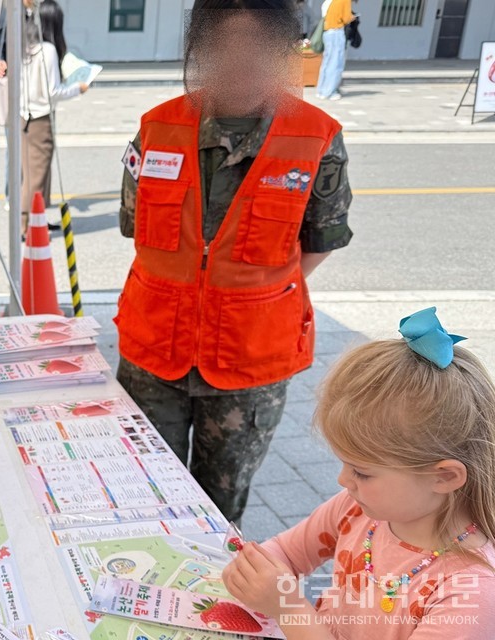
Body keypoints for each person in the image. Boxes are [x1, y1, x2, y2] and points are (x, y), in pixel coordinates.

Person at [116, 0, 353, 525]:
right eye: (226, 48)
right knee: (144, 498)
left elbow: (321, 238)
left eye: (255, 50)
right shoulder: (157, 128)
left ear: (280, 53)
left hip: (250, 364)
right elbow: (135, 224)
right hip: (153, 353)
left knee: (219, 513)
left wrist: (252, 290)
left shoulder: (316, 137)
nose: (239, 63)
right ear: (201, 50)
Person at [223, 308, 495, 639]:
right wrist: (255, 570)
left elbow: (288, 603)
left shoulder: (470, 591)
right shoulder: (356, 510)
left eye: (361, 472)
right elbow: (287, 553)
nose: (343, 480)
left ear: (444, 477)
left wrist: (288, 607)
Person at [17, 0, 87, 231]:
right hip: (40, 120)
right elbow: (53, 92)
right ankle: (26, 226)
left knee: (30, 175)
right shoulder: (47, 50)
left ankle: (35, 220)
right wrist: (79, 88)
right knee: (37, 177)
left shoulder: (26, 46)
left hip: (24, 118)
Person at [316, 0, 354, 100]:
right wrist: (352, 17)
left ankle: (321, 90)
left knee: (327, 62)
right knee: (336, 64)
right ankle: (330, 92)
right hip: (336, 32)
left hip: (327, 32)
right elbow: (346, 18)